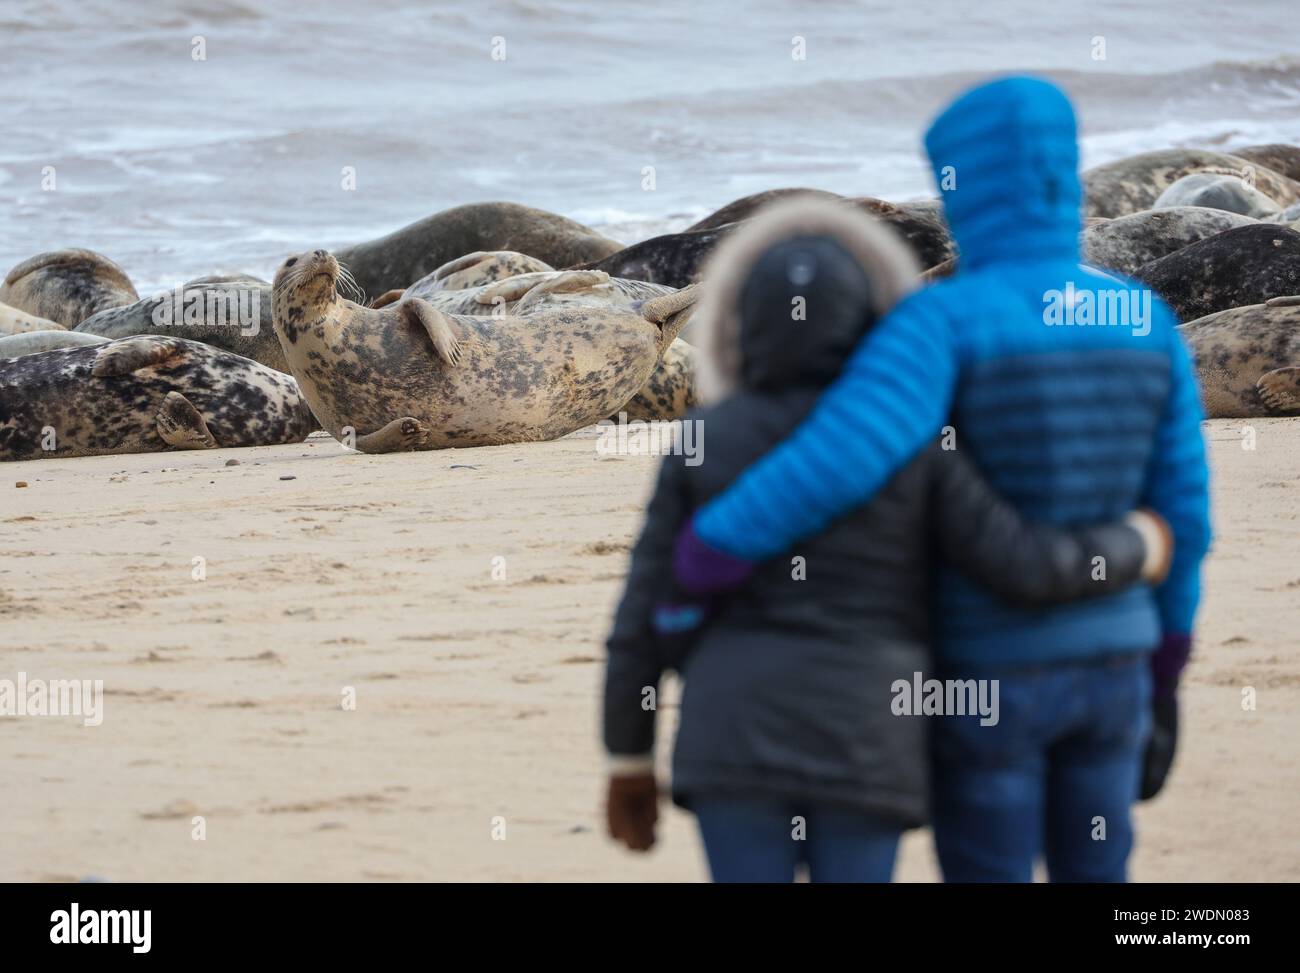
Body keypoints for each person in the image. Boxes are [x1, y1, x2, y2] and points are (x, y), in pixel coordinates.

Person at [667, 77, 1212, 883]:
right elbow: (1185, 519)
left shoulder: (941, 321)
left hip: (986, 670)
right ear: (1066, 178)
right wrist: (1166, 661)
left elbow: (847, 454)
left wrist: (715, 542)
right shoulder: (1140, 318)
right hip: (1117, 664)